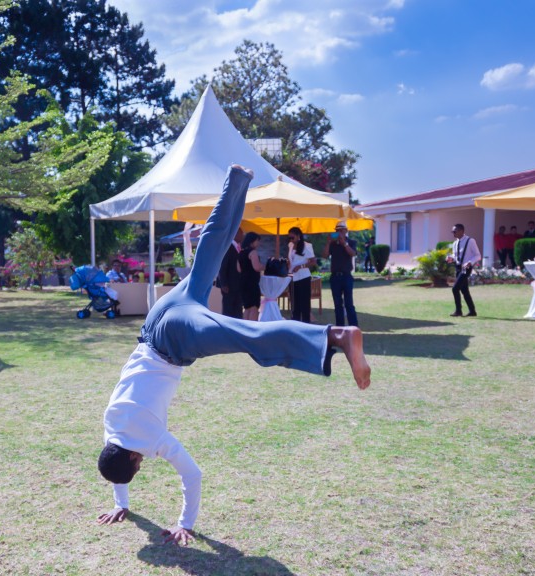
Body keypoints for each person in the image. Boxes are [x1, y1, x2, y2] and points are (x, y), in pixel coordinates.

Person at [95, 165, 372, 545]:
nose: (141, 462)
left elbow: (191, 475)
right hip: (157, 319)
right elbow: (116, 457)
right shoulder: (112, 425)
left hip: (174, 342)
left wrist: (185, 524)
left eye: (137, 464)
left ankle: (336, 335)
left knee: (249, 336)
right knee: (211, 246)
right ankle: (236, 181)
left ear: (133, 458)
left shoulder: (150, 438)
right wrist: (120, 501)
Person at [327, 221, 359, 327]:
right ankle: (340, 327)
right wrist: (328, 242)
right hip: (335, 277)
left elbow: (353, 254)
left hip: (346, 276)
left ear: (346, 231)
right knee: (337, 305)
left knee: (349, 304)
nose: (339, 232)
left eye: (341, 230)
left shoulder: (351, 242)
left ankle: (353, 327)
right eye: (337, 231)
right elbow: (324, 255)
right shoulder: (332, 244)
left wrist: (344, 243)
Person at [446, 224, 480, 317]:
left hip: (466, 268)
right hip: (458, 268)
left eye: (455, 231)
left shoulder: (470, 241)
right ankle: (472, 311)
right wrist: (451, 258)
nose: (453, 233)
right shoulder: (455, 243)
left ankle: (458, 311)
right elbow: (456, 256)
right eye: (452, 232)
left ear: (461, 231)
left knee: (455, 288)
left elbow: (478, 255)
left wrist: (470, 262)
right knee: (464, 290)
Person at [288, 227, 315, 323]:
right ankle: (295, 324)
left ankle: (306, 325)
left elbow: (313, 261)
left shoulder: (307, 246)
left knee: (304, 304)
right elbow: (291, 260)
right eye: (289, 238)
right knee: (295, 304)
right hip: (293, 278)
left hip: (303, 277)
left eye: (292, 237)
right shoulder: (290, 245)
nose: (291, 240)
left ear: (298, 236)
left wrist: (301, 266)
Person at [218, 229, 244, 319]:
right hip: (229, 285)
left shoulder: (238, 247)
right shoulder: (228, 247)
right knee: (228, 309)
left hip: (237, 285)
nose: (242, 236)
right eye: (241, 233)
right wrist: (223, 283)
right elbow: (222, 266)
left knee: (237, 308)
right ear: (235, 234)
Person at [238, 232, 264, 321]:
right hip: (252, 283)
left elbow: (239, 269)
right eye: (257, 241)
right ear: (251, 241)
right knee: (254, 307)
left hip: (243, 282)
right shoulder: (253, 252)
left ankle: (245, 328)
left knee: (247, 307)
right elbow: (256, 267)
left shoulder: (241, 253)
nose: (258, 243)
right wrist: (265, 266)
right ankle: (253, 328)